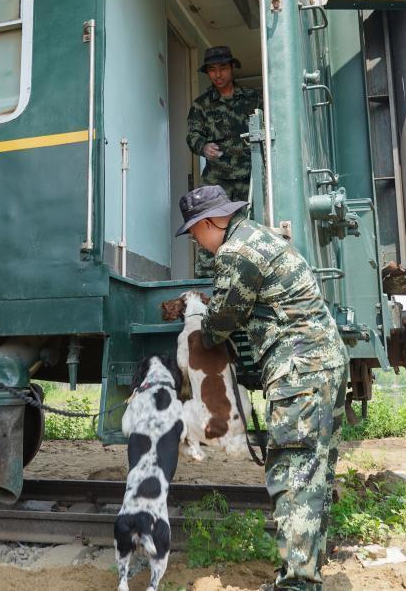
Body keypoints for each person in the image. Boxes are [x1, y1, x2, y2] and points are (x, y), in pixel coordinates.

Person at [175, 185, 348, 591]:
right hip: (323, 362)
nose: (197, 242)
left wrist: (200, 334)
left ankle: (298, 584)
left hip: (300, 367)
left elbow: (220, 322)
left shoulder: (237, 253)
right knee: (314, 472)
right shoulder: (261, 235)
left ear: (209, 223)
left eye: (195, 232)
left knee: (294, 471)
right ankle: (306, 574)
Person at [186, 46, 262, 277]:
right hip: (217, 178)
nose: (217, 75)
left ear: (232, 68)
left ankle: (249, 275)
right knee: (210, 225)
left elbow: (268, 127)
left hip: (249, 175)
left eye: (222, 68)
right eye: (212, 70)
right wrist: (203, 147)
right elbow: (192, 135)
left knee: (249, 225)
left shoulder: (252, 98)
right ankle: (208, 278)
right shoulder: (201, 104)